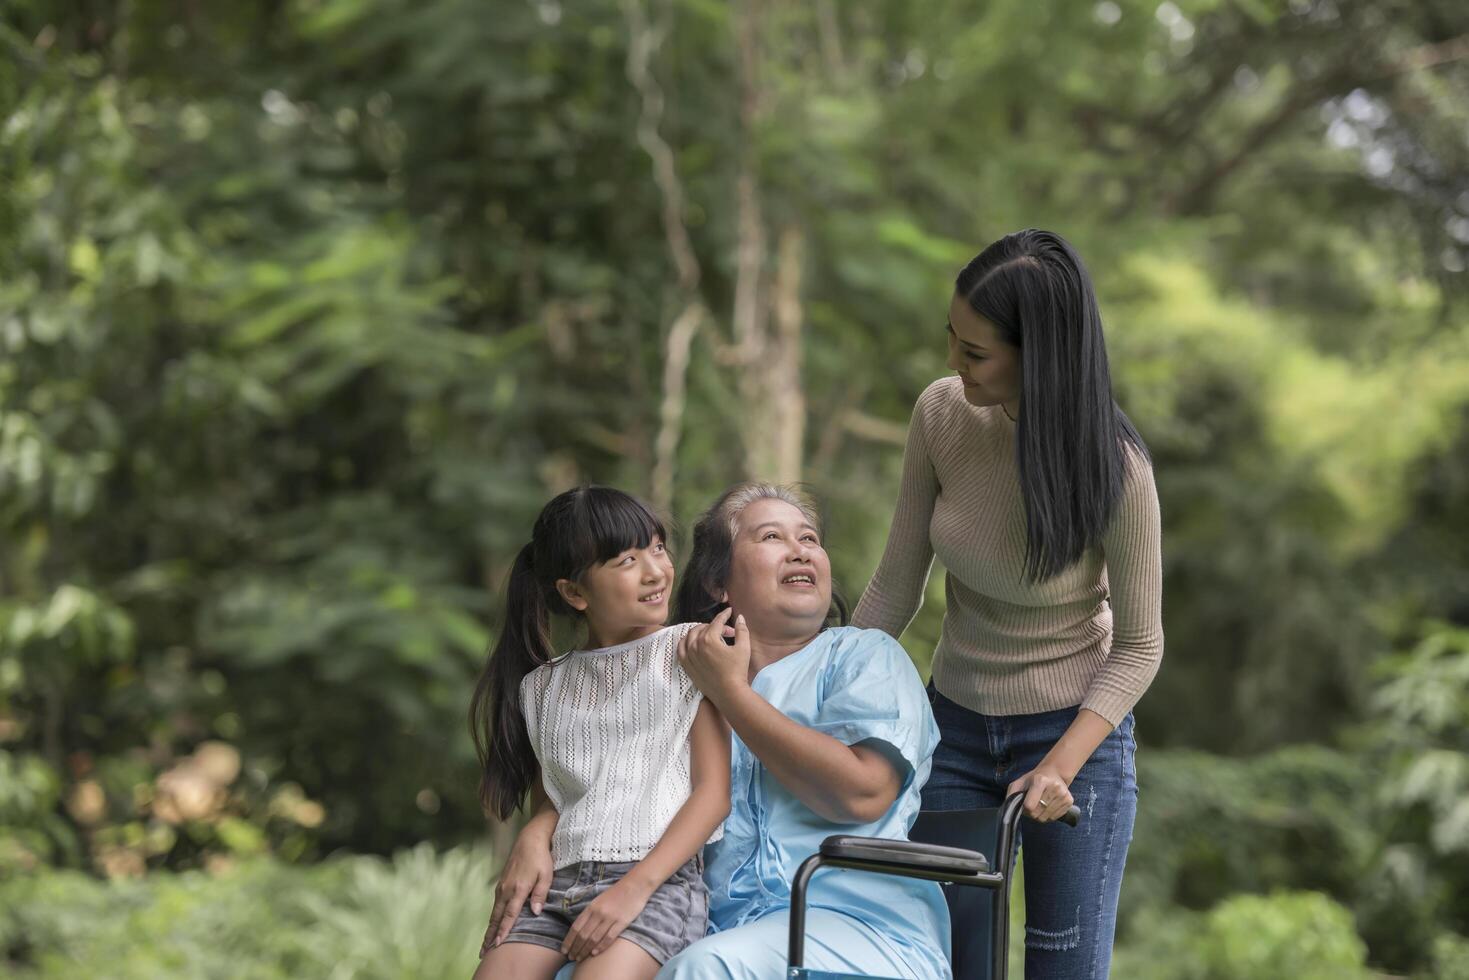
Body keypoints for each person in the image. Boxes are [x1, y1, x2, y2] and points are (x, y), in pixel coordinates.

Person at [852, 228, 1163, 979]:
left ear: (1040, 356)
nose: (952, 364)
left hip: (1073, 737)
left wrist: (1059, 765)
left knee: (1060, 966)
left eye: (975, 352)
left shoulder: (1116, 472)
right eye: (951, 339)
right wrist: (807, 688)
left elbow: (1139, 645)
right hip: (951, 726)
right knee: (945, 961)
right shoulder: (940, 414)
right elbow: (895, 585)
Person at [492, 483, 951, 980]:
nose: (800, 551)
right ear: (718, 585)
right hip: (718, 929)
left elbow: (864, 794)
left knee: (704, 970)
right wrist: (538, 831)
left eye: (811, 539)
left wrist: (732, 693)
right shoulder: (674, 677)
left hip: (857, 931)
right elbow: (601, 775)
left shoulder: (864, 657)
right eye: (772, 537)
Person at [469, 486, 729, 980]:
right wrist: (532, 834)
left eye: (656, 548)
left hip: (657, 884)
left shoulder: (689, 652)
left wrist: (635, 888)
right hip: (555, 886)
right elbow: (561, 795)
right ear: (574, 592)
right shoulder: (542, 686)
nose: (655, 570)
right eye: (626, 560)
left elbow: (714, 795)